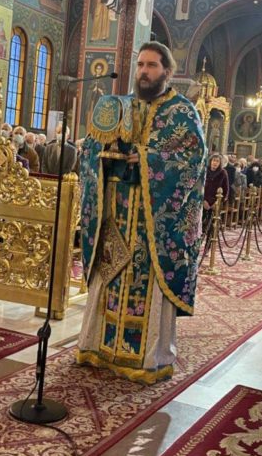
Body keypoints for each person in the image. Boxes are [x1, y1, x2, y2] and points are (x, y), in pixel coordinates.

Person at [77, 41, 206, 385]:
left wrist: (147, 158)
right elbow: (90, 149)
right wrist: (100, 154)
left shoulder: (182, 112)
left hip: (153, 224)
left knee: (146, 284)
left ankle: (149, 358)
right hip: (115, 213)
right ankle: (97, 347)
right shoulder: (120, 106)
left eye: (151, 66)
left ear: (167, 71)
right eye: (140, 65)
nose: (144, 72)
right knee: (109, 274)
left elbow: (192, 162)